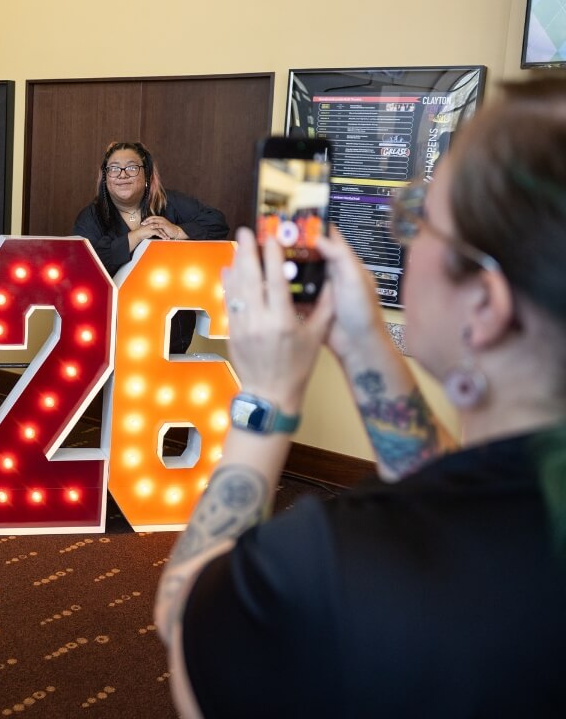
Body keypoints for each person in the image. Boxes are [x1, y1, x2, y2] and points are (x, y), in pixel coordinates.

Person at [154, 80, 566, 717]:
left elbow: (184, 620)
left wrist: (268, 397)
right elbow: (468, 495)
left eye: (422, 218)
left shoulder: (333, 566)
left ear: (485, 305)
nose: (405, 238)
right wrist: (366, 343)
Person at [73, 141, 229, 353]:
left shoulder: (169, 202)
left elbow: (218, 223)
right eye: (114, 168)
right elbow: (85, 265)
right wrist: (136, 237)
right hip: (112, 327)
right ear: (105, 178)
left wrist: (177, 231)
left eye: (131, 167)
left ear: (146, 175)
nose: (122, 174)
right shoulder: (91, 216)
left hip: (171, 327)